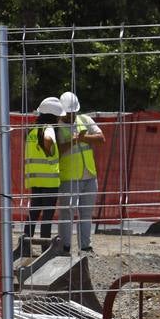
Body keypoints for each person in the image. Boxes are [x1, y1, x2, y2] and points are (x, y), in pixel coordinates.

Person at [57, 90, 104, 254]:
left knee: (86, 213)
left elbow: (101, 138)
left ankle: (85, 246)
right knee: (67, 213)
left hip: (89, 174)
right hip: (69, 177)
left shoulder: (85, 119)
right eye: (69, 113)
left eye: (74, 112)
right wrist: (74, 140)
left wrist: (84, 138)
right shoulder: (57, 126)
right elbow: (57, 150)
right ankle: (65, 247)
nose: (72, 115)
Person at [20, 97, 65, 257]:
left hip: (35, 178)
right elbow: (47, 139)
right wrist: (49, 150)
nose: (60, 119)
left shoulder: (32, 129)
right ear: (53, 115)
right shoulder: (48, 128)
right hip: (49, 179)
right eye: (59, 116)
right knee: (47, 214)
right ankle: (46, 248)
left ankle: (25, 245)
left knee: (33, 212)